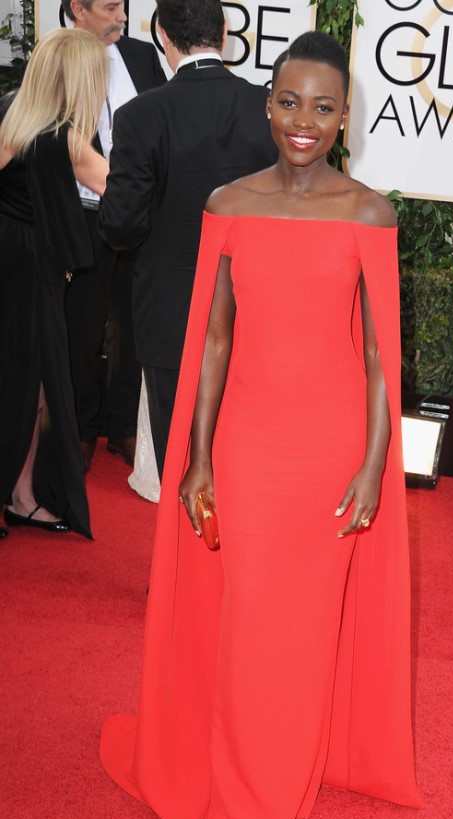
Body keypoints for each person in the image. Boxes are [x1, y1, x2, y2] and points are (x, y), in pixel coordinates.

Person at [100, 31, 422, 819]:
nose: (303, 121)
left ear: (345, 118)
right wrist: (199, 454)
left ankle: (273, 788)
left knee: (302, 626)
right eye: (288, 102)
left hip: (329, 448)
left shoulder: (369, 212)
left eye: (323, 107)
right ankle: (249, 785)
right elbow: (213, 340)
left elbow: (380, 355)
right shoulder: (229, 204)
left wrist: (374, 462)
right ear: (267, 106)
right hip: (245, 442)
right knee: (246, 618)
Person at [98, 0, 278, 480]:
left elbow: (120, 225)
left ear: (161, 34)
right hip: (252, 313)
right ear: (224, 32)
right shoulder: (266, 108)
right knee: (244, 464)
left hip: (168, 316)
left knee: (178, 466)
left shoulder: (139, 115)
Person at [0, 28, 110, 538]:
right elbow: (120, 191)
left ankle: (22, 495)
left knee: (29, 382)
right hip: (28, 268)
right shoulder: (63, 137)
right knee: (29, 384)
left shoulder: (11, 113)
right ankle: (20, 495)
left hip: (15, 258)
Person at [61, 0, 166, 473]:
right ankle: (82, 429)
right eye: (110, 7)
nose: (122, 16)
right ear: (78, 9)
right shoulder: (59, 57)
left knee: (134, 322)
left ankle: (122, 426)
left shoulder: (141, 55)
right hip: (84, 214)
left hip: (139, 216)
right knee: (81, 327)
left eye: (122, 5)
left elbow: (161, 124)